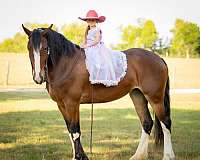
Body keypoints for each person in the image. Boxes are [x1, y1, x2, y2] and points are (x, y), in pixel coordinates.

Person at [79, 10, 127, 87]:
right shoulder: (87, 30)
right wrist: (81, 45)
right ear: (87, 21)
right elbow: (85, 41)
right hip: (88, 47)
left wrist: (87, 46)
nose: (91, 21)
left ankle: (99, 79)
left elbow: (96, 41)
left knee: (98, 62)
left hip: (96, 48)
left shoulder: (97, 29)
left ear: (96, 21)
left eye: (93, 20)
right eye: (89, 20)